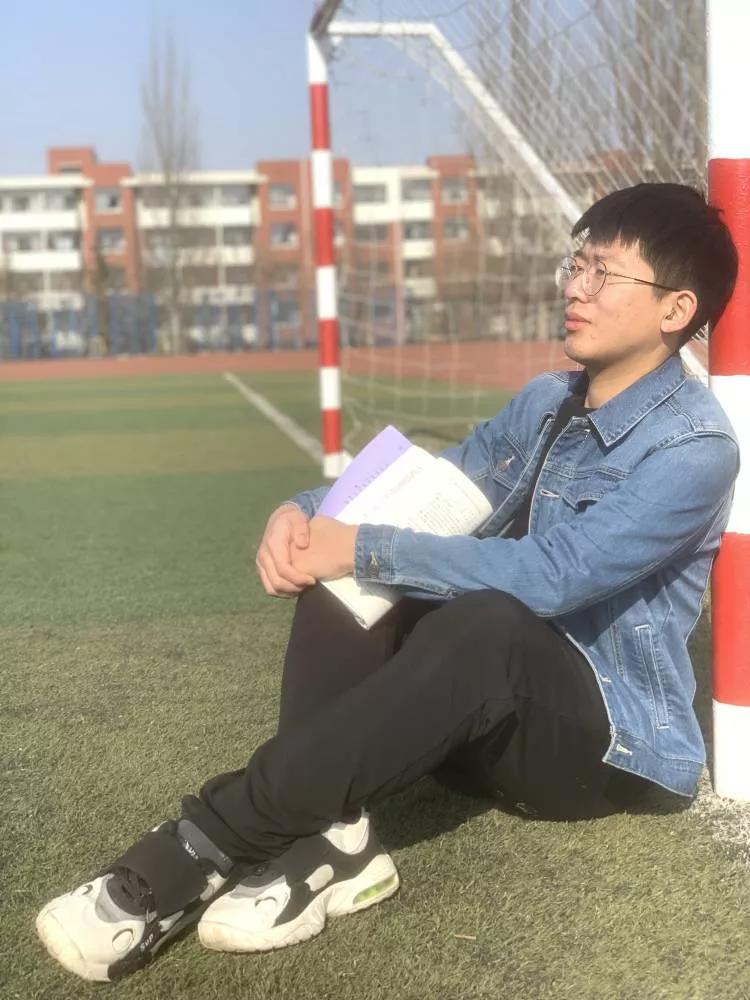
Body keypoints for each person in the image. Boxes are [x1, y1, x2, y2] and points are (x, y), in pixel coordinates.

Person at [37, 183, 740, 982]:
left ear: (676, 308)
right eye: (575, 264)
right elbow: (439, 483)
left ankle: (196, 847)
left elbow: (554, 576)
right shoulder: (548, 400)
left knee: (475, 615)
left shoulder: (694, 448)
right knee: (346, 573)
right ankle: (331, 842)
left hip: (596, 748)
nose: (576, 287)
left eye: (603, 272)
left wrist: (362, 547)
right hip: (476, 721)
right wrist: (306, 514)